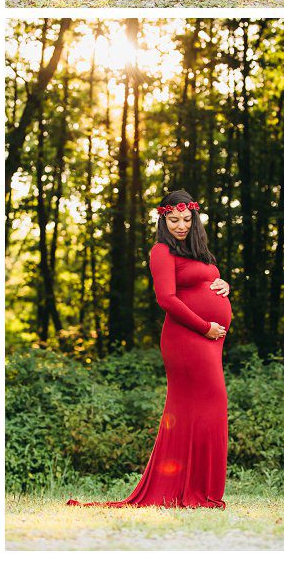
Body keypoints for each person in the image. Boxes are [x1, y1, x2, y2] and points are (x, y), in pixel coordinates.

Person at [71, 192, 233, 508]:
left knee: (202, 409)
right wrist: (205, 326)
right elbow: (167, 300)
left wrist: (224, 285)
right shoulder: (160, 251)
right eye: (174, 220)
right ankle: (190, 489)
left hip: (210, 340)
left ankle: (198, 488)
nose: (181, 225)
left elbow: (205, 282)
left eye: (187, 219)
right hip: (187, 339)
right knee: (208, 403)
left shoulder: (199, 251)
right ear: (163, 219)